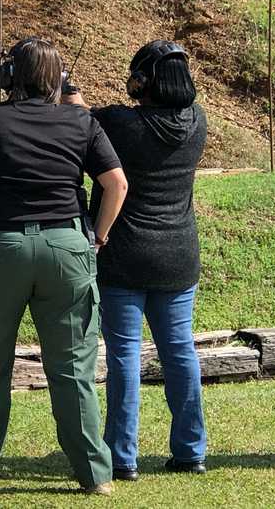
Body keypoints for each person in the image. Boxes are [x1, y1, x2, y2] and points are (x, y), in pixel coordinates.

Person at [0, 37, 129, 494]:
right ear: (58, 81)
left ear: (8, 78)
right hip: (67, 247)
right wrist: (96, 237)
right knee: (73, 368)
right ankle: (94, 474)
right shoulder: (81, 121)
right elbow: (116, 184)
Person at [63, 39, 208, 481]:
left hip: (123, 256)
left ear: (143, 80)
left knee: (124, 356)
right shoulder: (197, 121)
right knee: (180, 351)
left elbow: (82, 121)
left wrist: (69, 90)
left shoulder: (122, 124)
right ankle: (192, 449)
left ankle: (121, 457)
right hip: (178, 256)